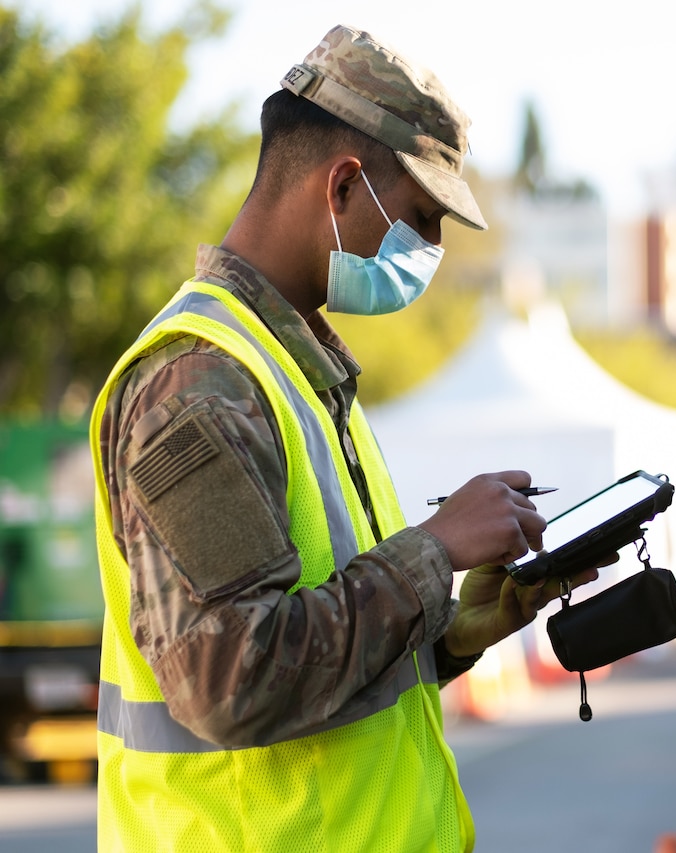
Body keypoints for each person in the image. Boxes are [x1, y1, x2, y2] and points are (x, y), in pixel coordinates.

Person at [89, 24, 601, 852]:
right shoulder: (201, 381)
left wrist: (457, 625)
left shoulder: (304, 372)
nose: (429, 252)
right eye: (422, 218)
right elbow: (231, 680)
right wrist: (432, 549)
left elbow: (327, 670)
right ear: (343, 186)